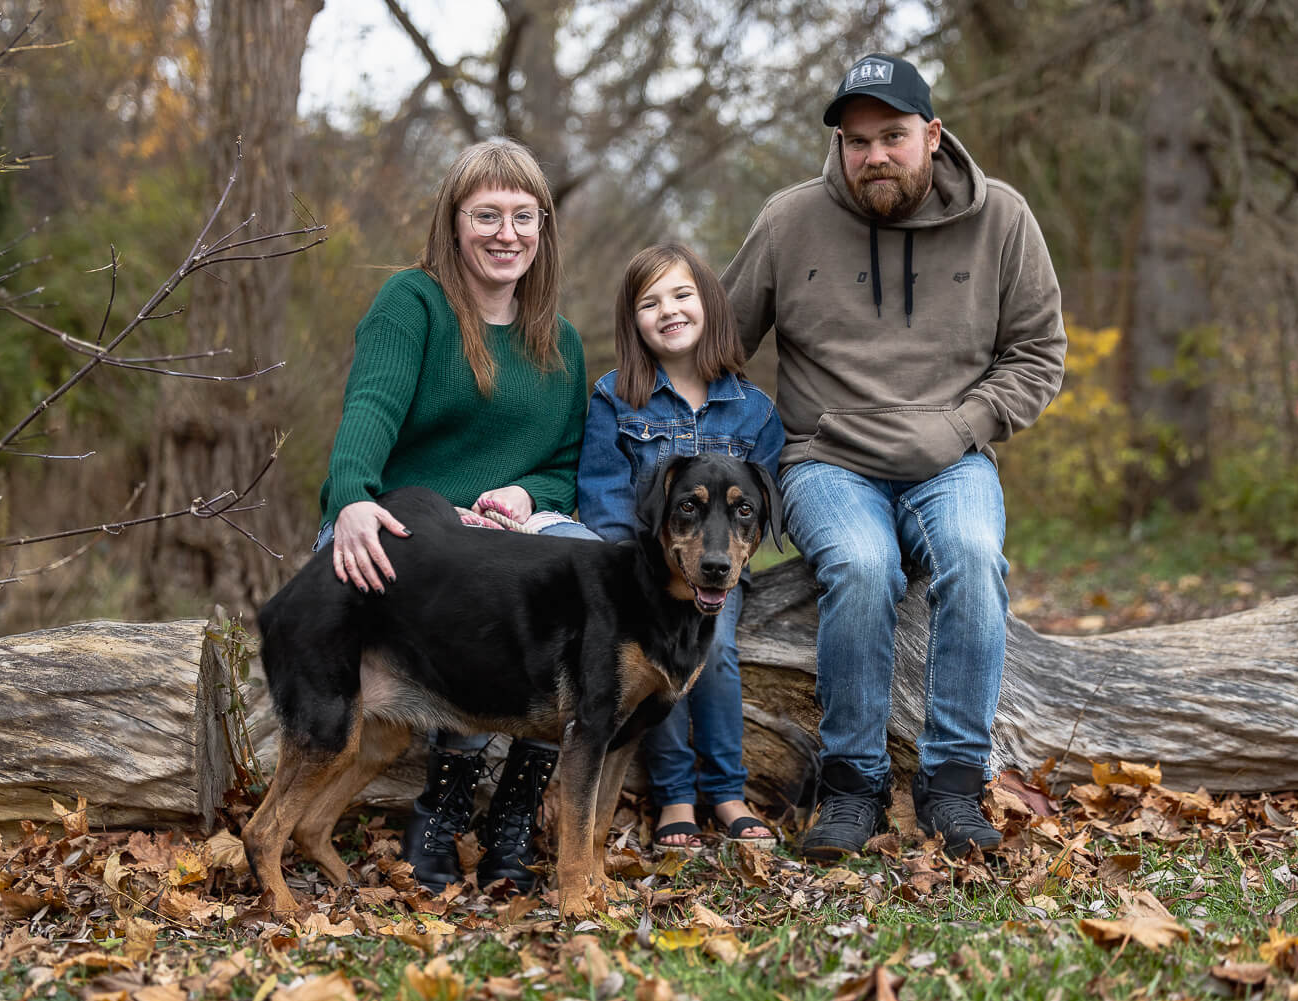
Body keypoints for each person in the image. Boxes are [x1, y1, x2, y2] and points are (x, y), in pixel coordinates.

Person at [722, 53, 1067, 860]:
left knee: (974, 555)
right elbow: (719, 345)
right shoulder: (788, 220)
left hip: (952, 457)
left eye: (892, 137)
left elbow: (1038, 354)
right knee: (863, 563)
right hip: (825, 459)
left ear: (933, 135)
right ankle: (853, 783)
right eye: (857, 141)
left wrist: (966, 423)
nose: (874, 155)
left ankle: (953, 782)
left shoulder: (1003, 217)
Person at [315, 138, 595, 895]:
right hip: (405, 524)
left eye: (524, 216)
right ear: (454, 221)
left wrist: (525, 497)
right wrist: (351, 497)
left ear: (543, 226)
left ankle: (516, 812)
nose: (507, 233)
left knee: (591, 574)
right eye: (486, 215)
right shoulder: (413, 303)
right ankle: (441, 806)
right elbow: (370, 408)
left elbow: (563, 464)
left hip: (507, 531)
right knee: (483, 590)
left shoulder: (560, 340)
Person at [577, 243, 784, 853]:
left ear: (710, 304)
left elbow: (760, 506)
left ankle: (725, 791)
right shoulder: (615, 399)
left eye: (682, 294)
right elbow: (604, 497)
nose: (668, 310)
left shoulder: (754, 412)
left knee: (713, 652)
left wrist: (733, 558)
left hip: (719, 569)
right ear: (632, 321)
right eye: (649, 302)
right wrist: (639, 573)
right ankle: (674, 796)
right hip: (641, 573)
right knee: (656, 659)